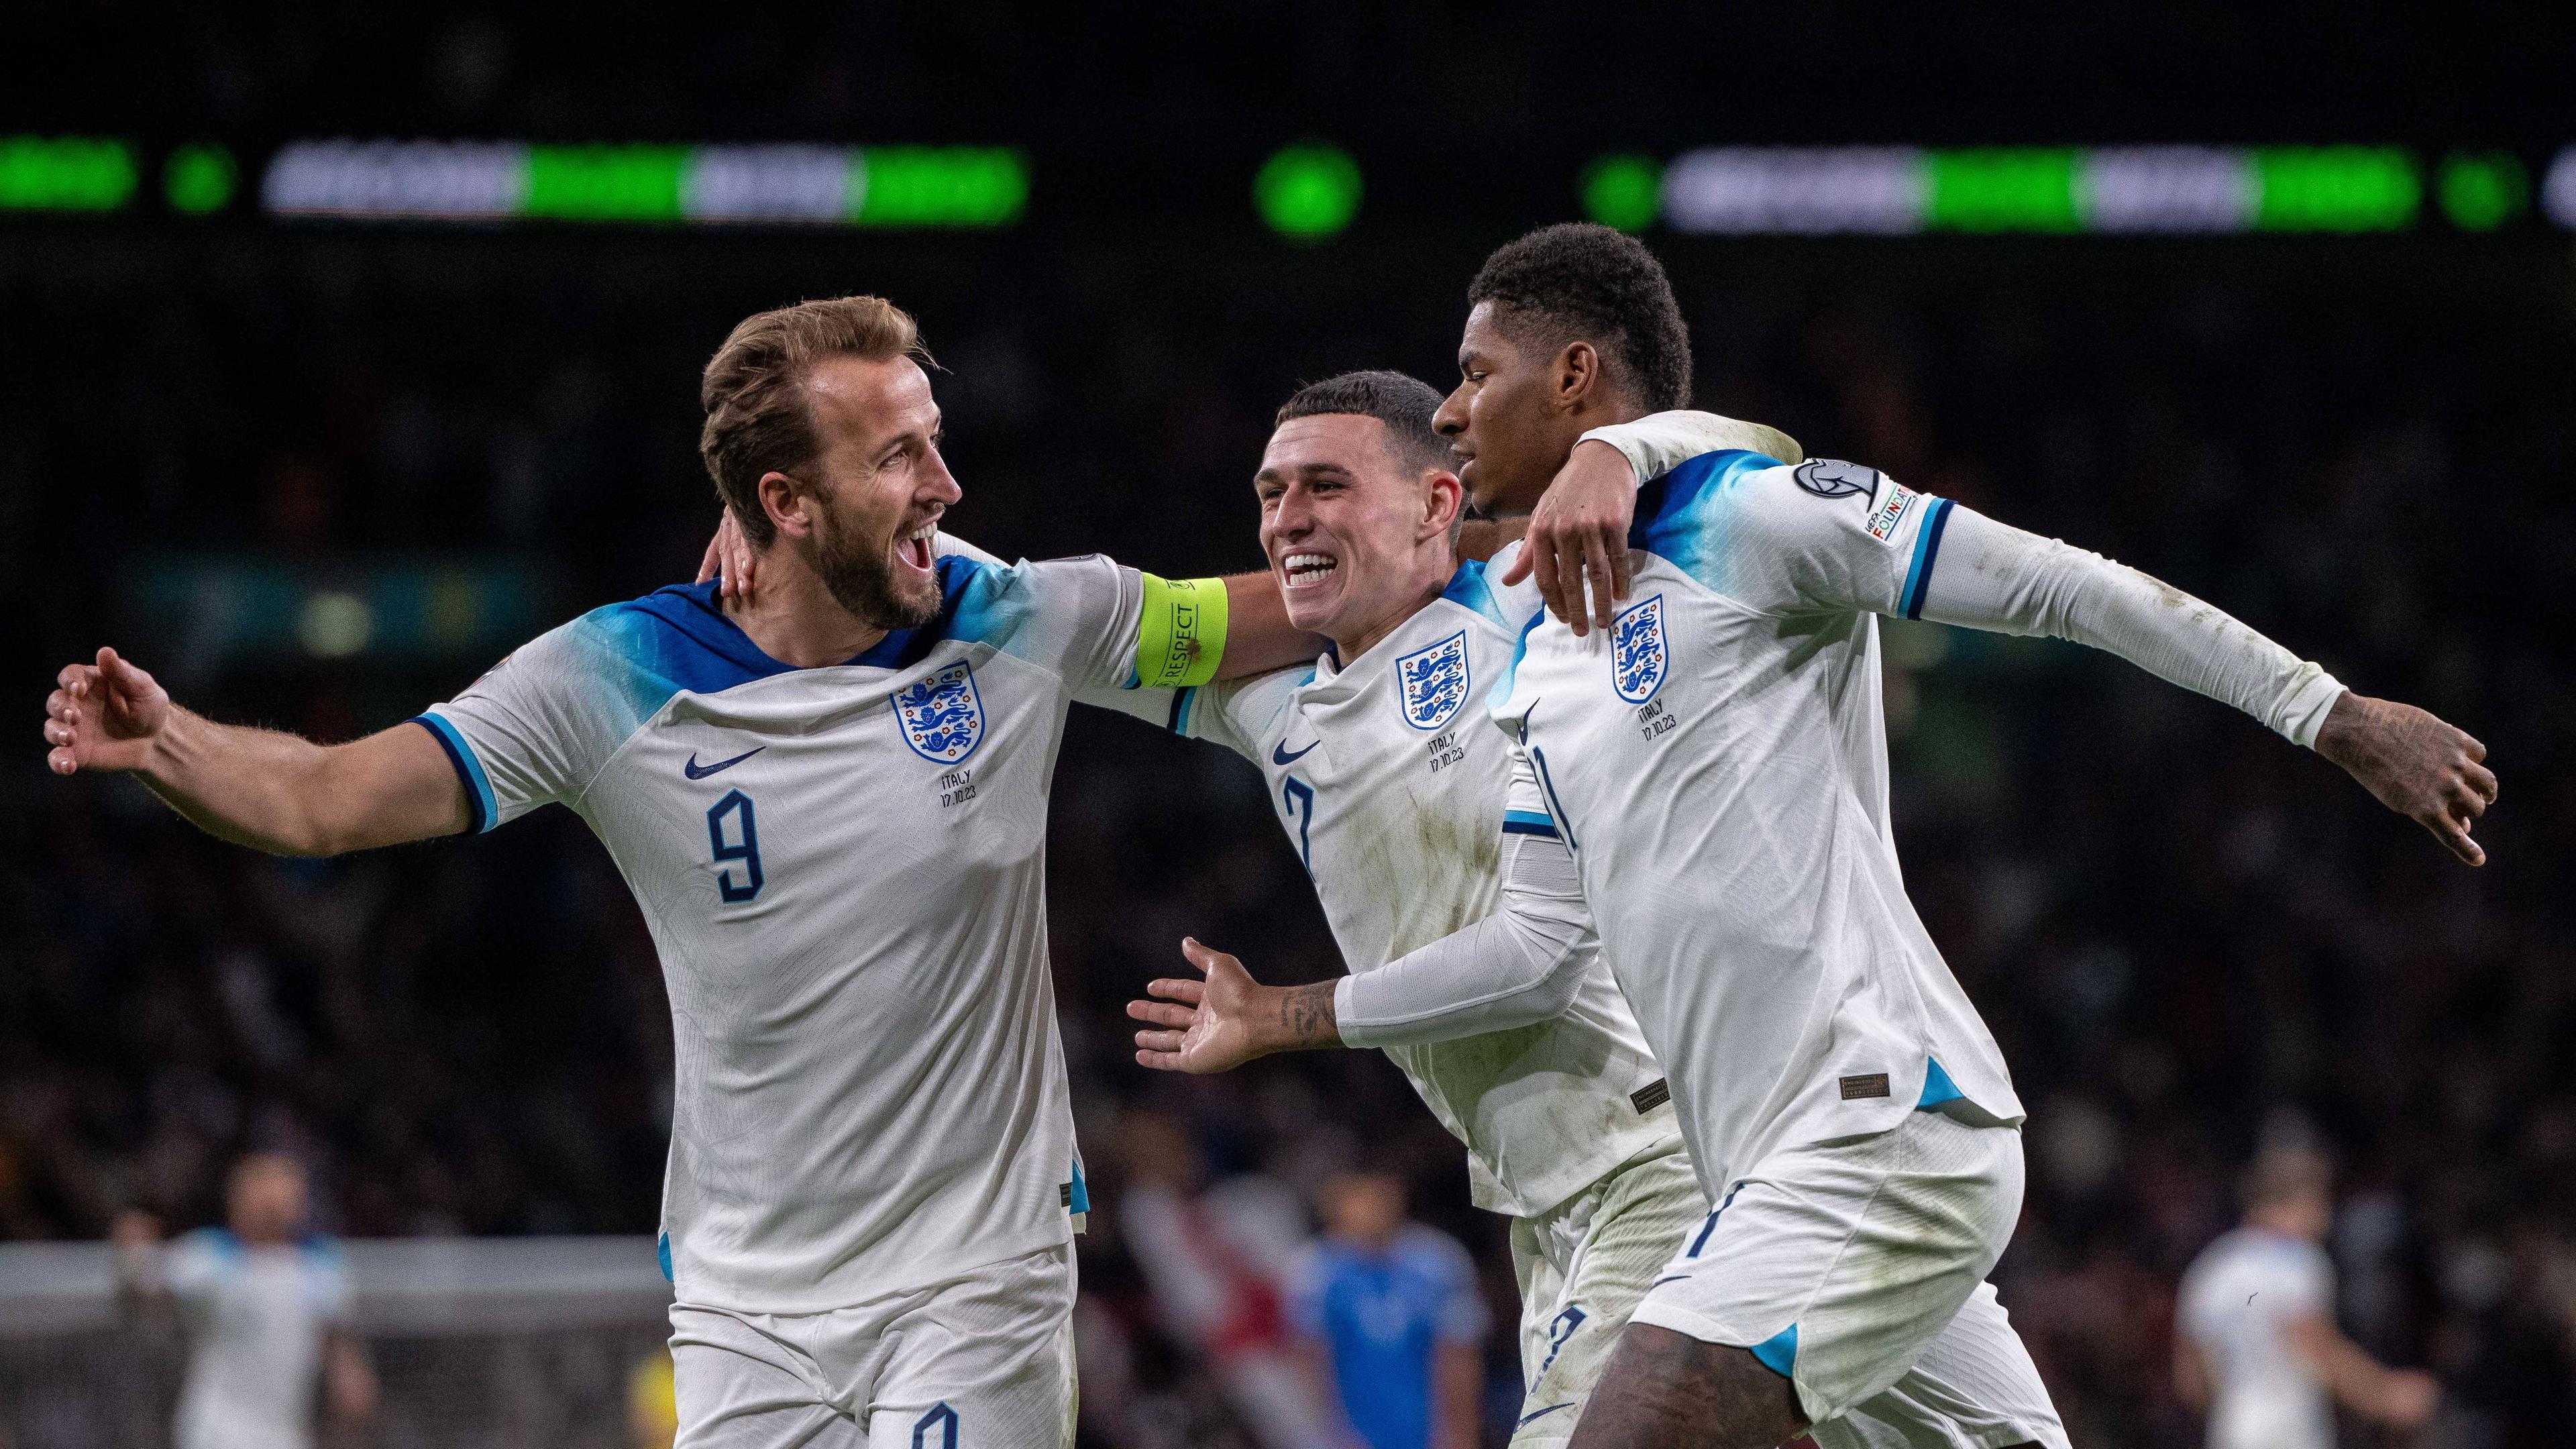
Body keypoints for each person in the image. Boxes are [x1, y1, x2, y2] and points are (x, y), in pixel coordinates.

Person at [1130, 224, 2496, 1449]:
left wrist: (2329, 712)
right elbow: (1544, 942)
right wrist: (1299, 1016)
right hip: (1757, 1180)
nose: (1449, 405)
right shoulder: (1540, 660)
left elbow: (2061, 586)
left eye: (1478, 372)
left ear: (1576, 377)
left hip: (1883, 1125)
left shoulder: (1754, 522)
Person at [42, 294, 1312, 1449]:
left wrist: (1481, 521)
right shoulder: (610, 678)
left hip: (980, 1274)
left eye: (933, 441)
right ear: (784, 504)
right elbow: (328, 801)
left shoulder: (1021, 616)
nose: (949, 485)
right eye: (897, 459)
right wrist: (174, 743)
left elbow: (1300, 607)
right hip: (744, 1305)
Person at [1104, 370, 1776, 1446]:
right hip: (1550, 1204)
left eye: (1327, 485)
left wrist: (1615, 456)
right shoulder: (1276, 709)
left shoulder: (1528, 598)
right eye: (1273, 493)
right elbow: (1073, 630)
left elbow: (1768, 463)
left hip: (1666, 1154)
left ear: (1435, 505)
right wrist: (901, 559)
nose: (1290, 517)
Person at [2176, 1144, 2438, 1449]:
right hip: (2290, 1430)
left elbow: (2190, 1374)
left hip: (2232, 1430)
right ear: (2296, 1201)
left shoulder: (2209, 1267)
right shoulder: (2298, 1261)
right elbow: (2313, 1346)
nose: (2326, 1215)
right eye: (2320, 1201)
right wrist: (2387, 1395)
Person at [112, 1152, 376, 1449]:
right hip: (216, 1432)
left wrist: (349, 1375)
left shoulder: (321, 1265)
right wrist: (132, 1252)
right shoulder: (210, 1256)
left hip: (284, 1434)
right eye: (262, 1193)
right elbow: (147, 1284)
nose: (272, 1205)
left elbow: (335, 1340)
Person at [1295, 1168, 1489, 1449]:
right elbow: (1311, 1363)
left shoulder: (1439, 1260)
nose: (1370, 1209)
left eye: (1378, 1197)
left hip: (1429, 1427)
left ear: (1396, 1197)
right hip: (1351, 1433)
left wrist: (1461, 1435)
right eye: (1359, 1200)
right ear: (1336, 1205)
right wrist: (1330, 1435)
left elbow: (1460, 1357)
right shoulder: (1312, 1273)